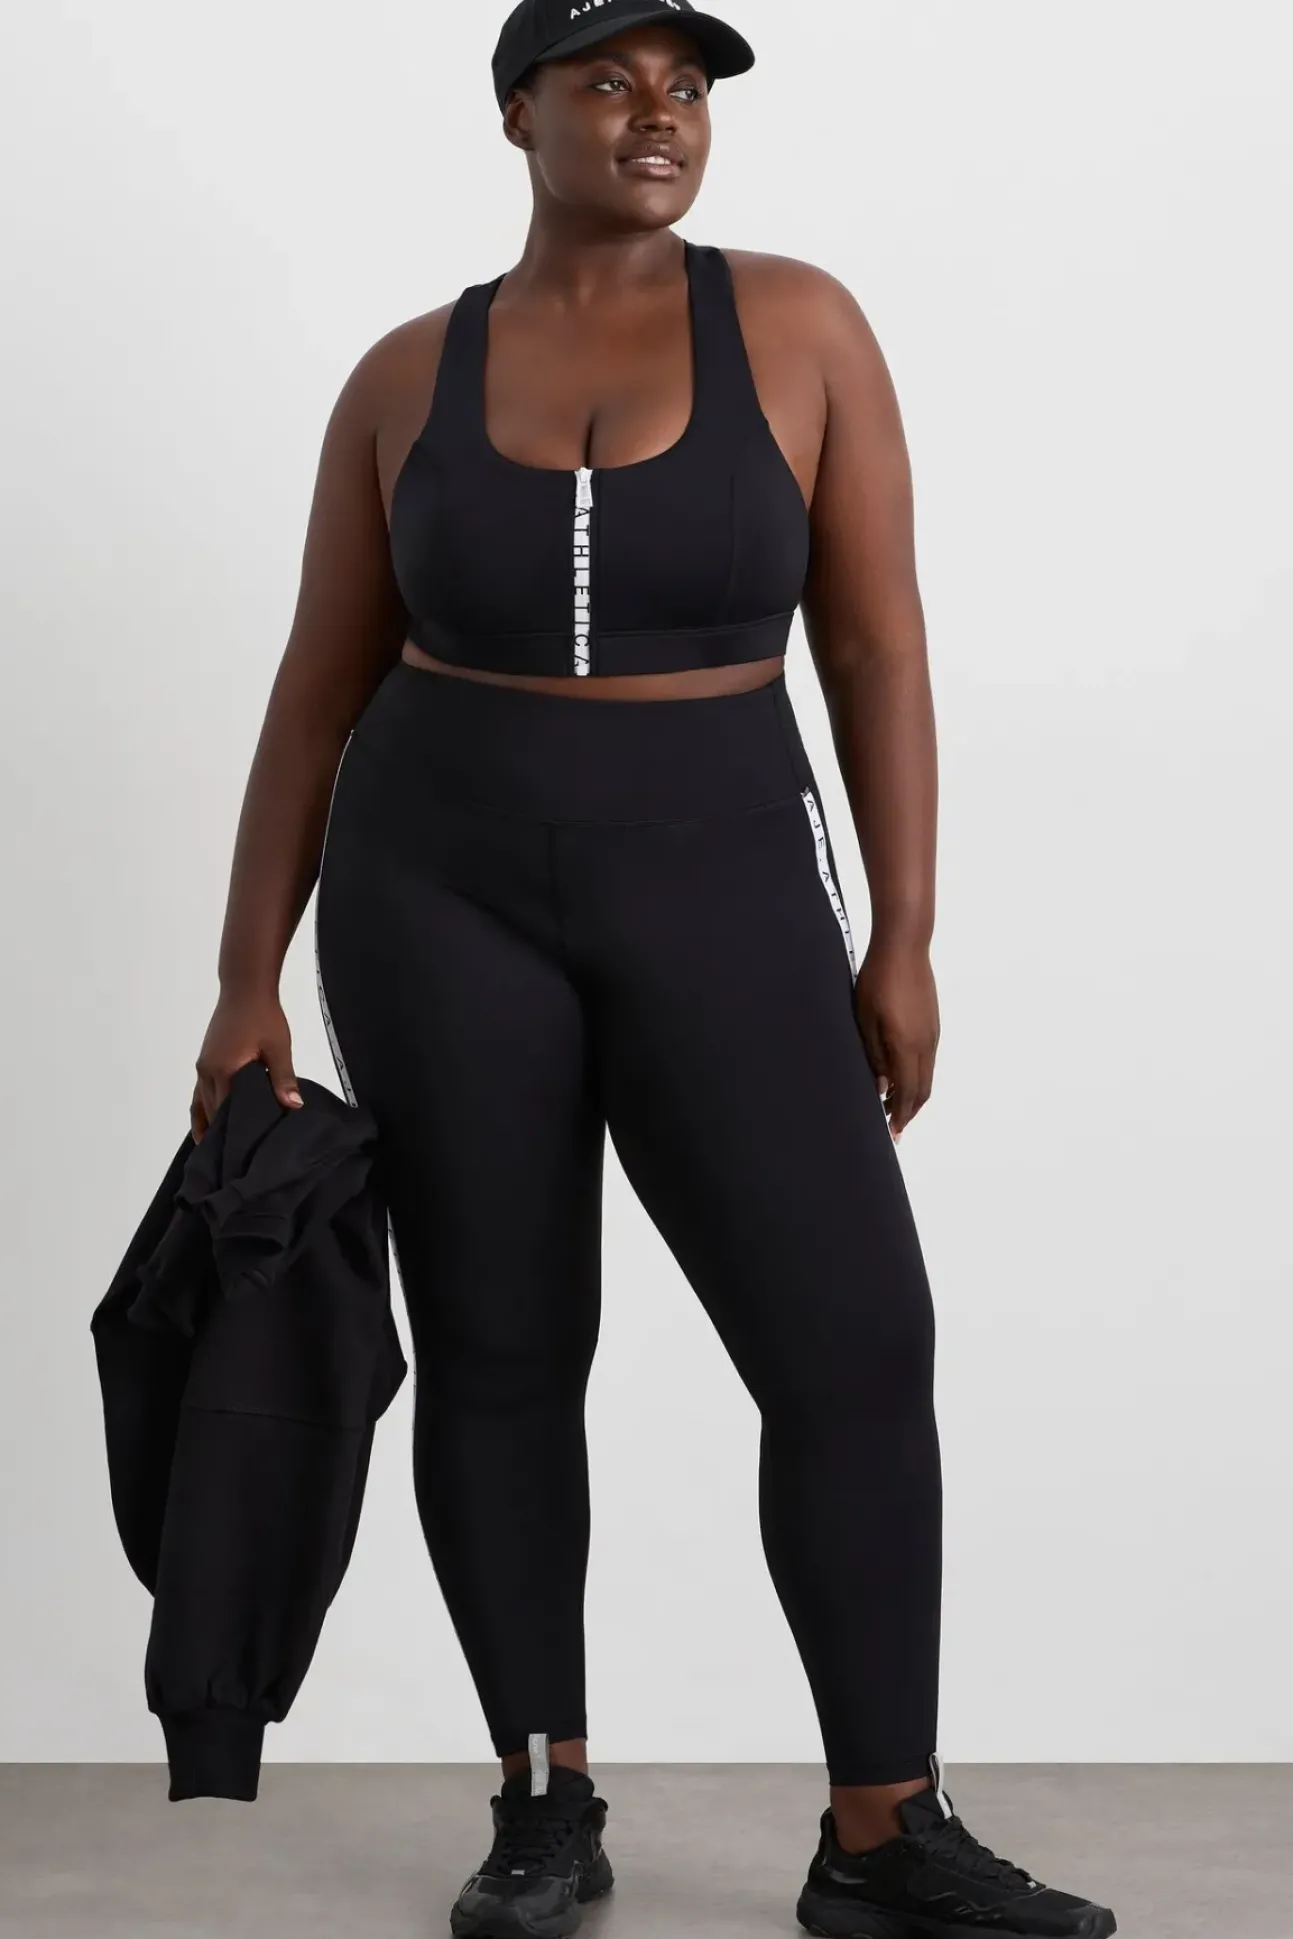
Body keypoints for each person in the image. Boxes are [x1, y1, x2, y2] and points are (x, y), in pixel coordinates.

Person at [189, 1, 1117, 1934]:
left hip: (725, 889)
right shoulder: (404, 375)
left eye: (685, 87)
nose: (656, 115)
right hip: (436, 896)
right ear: (515, 112)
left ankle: (883, 1832)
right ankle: (544, 1803)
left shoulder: (801, 325)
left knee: (855, 1340)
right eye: (606, 82)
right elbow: (313, 690)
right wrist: (244, 974)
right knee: (505, 1348)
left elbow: (876, 645)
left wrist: (907, 929)